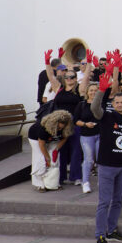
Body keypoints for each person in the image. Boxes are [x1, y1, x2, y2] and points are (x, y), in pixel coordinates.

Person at [91, 73, 122, 243]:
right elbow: (95, 108)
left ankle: (111, 230)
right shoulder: (106, 116)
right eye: (116, 102)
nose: (119, 105)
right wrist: (101, 91)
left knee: (118, 201)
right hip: (107, 166)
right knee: (104, 202)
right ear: (113, 104)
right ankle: (100, 235)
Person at [43, 49, 87, 186]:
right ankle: (60, 177)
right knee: (60, 149)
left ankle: (76, 176)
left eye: (72, 77)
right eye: (67, 77)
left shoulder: (79, 89)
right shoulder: (59, 88)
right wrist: (47, 63)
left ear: (75, 78)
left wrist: (89, 63)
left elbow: (86, 78)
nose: (69, 79)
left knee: (75, 150)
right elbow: (51, 76)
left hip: (74, 122)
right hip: (60, 123)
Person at [27, 110, 73, 192]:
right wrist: (47, 158)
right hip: (36, 139)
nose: (60, 129)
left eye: (62, 128)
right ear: (55, 123)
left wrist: (56, 150)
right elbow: (41, 144)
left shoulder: (66, 128)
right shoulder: (44, 128)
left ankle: (53, 184)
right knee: (40, 158)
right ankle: (40, 185)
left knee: (55, 160)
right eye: (59, 128)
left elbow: (65, 137)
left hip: (53, 140)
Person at [74, 83, 100, 193]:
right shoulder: (81, 105)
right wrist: (85, 124)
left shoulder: (101, 104)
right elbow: (76, 120)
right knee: (88, 159)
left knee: (101, 159)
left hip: (100, 134)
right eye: (91, 90)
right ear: (87, 92)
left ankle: (101, 181)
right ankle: (85, 182)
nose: (93, 92)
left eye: (96, 90)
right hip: (86, 135)